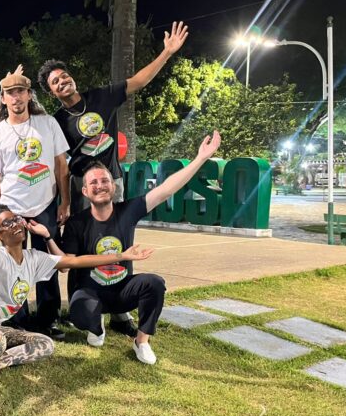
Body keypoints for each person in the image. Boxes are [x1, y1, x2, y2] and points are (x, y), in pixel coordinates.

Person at [37, 21, 188, 336]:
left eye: (64, 76)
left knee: (119, 241)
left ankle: (120, 312)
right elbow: (60, 164)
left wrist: (167, 52)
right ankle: (82, 306)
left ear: (72, 78)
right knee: (79, 248)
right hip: (81, 186)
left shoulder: (102, 97)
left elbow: (139, 80)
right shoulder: (57, 121)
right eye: (55, 82)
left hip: (110, 182)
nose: (62, 82)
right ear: (51, 92)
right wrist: (65, 201)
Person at [39, 131, 222, 365]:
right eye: (93, 182)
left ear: (113, 187)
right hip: (90, 292)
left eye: (104, 181)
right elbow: (65, 266)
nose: (100, 186)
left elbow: (166, 189)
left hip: (121, 290)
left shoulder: (128, 211)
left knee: (154, 283)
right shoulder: (77, 222)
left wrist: (200, 158)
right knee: (81, 310)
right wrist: (48, 237)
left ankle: (141, 341)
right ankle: (96, 327)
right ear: (85, 191)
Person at [0, 204, 151, 382]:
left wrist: (121, 256)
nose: (15, 225)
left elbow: (74, 261)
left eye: (16, 219)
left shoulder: (35, 259)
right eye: (7, 223)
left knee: (44, 344)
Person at [0, 68, 70, 339]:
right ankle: (17, 319)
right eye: (10, 93)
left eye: (20, 91)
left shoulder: (48, 123)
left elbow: (61, 166)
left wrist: (65, 202)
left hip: (45, 205)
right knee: (13, 267)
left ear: (29, 95)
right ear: (3, 98)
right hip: (11, 208)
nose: (16, 97)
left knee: (48, 264)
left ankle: (48, 318)